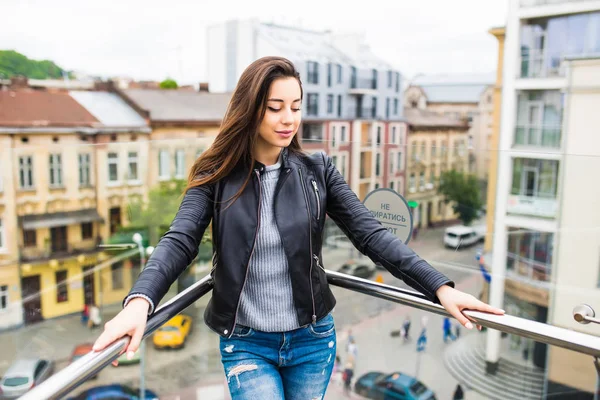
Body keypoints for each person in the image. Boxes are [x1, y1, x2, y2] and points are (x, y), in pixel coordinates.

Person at [92, 56, 504, 399]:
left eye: (296, 105)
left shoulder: (317, 170)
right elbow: (180, 241)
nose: (289, 118)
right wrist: (139, 302)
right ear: (249, 109)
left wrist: (440, 287)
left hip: (312, 341)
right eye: (275, 107)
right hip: (248, 343)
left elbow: (371, 235)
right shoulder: (216, 175)